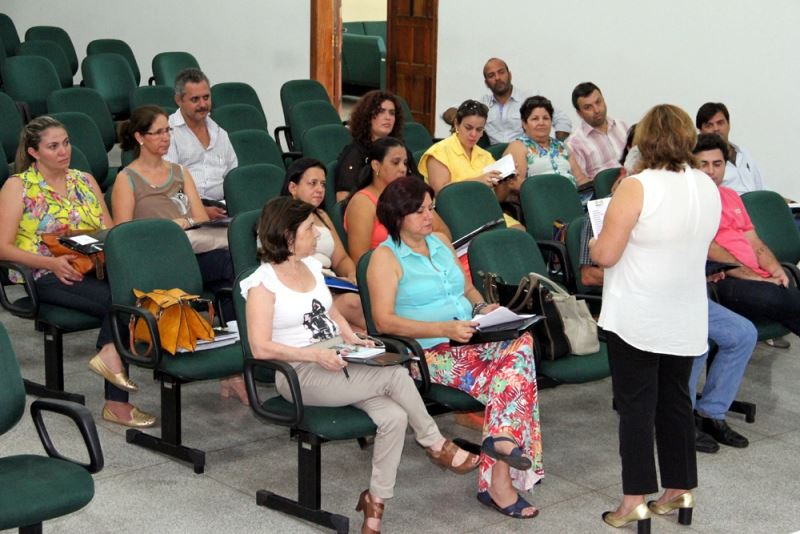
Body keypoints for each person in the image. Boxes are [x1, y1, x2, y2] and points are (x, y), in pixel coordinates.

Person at [241, 196, 480, 533]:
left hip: (336, 358)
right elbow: (259, 347)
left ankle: (375, 507)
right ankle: (435, 443)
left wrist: (352, 338)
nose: (319, 235)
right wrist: (316, 355)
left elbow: (331, 311)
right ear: (288, 235)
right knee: (396, 376)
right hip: (298, 371)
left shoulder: (311, 266)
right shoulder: (263, 283)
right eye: (311, 228)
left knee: (394, 417)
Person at [368, 176, 543, 519]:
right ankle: (500, 476)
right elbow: (383, 322)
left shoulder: (441, 243)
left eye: (430, 208)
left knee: (521, 345)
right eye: (419, 211)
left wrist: (483, 310)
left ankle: (501, 446)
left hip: (468, 342)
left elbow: (467, 289)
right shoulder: (385, 258)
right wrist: (442, 328)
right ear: (397, 216)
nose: (429, 216)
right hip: (426, 354)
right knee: (512, 377)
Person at [590, 104, 721, 531]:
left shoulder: (637, 187)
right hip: (684, 314)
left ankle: (634, 501)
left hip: (638, 315)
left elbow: (606, 254)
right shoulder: (705, 184)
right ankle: (679, 489)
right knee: (675, 402)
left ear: (644, 140)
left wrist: (593, 244)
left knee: (635, 408)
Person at [0, 116, 155, 428]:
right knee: (120, 300)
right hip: (45, 274)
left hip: (92, 266)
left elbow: (110, 232)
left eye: (66, 143)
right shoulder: (18, 186)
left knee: (137, 289)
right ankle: (116, 402)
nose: (63, 151)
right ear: (34, 152)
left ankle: (109, 352)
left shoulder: (84, 180)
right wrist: (50, 263)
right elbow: (2, 248)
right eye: (53, 146)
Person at [112, 105, 243, 404]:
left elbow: (198, 217)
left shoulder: (179, 172)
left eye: (167, 131)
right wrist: (174, 225)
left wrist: (185, 224)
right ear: (140, 137)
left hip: (191, 250)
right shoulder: (127, 179)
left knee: (236, 269)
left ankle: (236, 356)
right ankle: (235, 362)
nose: (165, 138)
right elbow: (124, 234)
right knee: (230, 268)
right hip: (156, 258)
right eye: (157, 132)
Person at [697, 133, 800, 345]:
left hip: (756, 276)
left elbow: (755, 243)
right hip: (724, 280)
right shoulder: (693, 202)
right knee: (778, 296)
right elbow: (715, 256)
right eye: (703, 164)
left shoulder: (731, 196)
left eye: (717, 164)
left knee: (789, 279)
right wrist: (760, 279)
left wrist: (774, 270)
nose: (710, 171)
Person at [281, 157, 365, 330]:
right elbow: (284, 265)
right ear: (293, 188)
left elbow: (341, 258)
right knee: (355, 304)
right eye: (313, 183)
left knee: (359, 328)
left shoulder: (322, 215)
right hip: (306, 289)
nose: (320, 189)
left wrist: (352, 275)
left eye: (323, 184)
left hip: (334, 286)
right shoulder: (280, 218)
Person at [343, 136, 450, 263]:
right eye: (395, 162)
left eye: (405, 163)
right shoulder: (362, 203)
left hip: (423, 264)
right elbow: (360, 260)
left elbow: (444, 234)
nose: (403, 169)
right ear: (376, 165)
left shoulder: (411, 195)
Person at [420, 100, 523, 229]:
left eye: (479, 130)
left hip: (485, 211)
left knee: (520, 233)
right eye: (468, 128)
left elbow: (496, 199)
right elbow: (441, 194)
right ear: (457, 124)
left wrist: (506, 183)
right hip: (454, 215)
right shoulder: (439, 152)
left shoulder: (485, 155)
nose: (474, 134)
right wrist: (477, 182)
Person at [165, 68, 238, 220]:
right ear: (179, 100)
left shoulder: (220, 133)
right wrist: (199, 210)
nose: (203, 104)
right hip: (185, 213)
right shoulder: (167, 132)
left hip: (223, 208)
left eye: (206, 97)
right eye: (195, 99)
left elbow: (233, 177)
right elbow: (169, 187)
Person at [334, 90, 418, 201]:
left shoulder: (401, 150)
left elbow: (418, 187)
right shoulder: (355, 152)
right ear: (367, 116)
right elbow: (343, 198)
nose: (388, 117)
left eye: (392, 113)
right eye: (381, 111)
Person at [480, 58, 571, 143]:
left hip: (528, 154)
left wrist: (558, 146)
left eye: (501, 72)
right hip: (496, 157)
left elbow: (563, 120)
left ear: (510, 75)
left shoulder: (530, 98)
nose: (497, 78)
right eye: (491, 75)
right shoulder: (483, 105)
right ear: (486, 83)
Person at [503, 95, 588, 186]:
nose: (541, 123)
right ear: (524, 124)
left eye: (546, 118)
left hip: (574, 196)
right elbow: (517, 185)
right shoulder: (518, 146)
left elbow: (580, 179)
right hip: (540, 198)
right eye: (535, 119)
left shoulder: (561, 146)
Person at [696, 102, 763, 194]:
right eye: (709, 125)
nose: (716, 129)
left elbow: (761, 186)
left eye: (720, 123)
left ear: (729, 124)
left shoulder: (743, 152)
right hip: (728, 206)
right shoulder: (700, 161)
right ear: (700, 131)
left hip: (756, 204)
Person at [566, 82, 629, 180]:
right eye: (588, 107)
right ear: (579, 113)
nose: (596, 110)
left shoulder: (622, 126)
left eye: (598, 102)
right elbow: (584, 186)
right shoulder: (574, 143)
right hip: (607, 193)